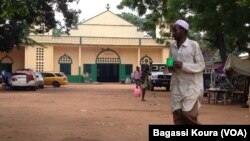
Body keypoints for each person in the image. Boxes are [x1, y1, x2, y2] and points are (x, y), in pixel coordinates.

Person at [168, 19, 205, 125]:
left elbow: (201, 65)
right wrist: (170, 67)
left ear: (184, 31)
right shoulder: (172, 46)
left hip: (192, 86)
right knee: (178, 116)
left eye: (175, 30)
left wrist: (183, 65)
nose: (173, 33)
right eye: (172, 30)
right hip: (177, 85)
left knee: (188, 115)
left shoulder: (193, 45)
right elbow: (170, 63)